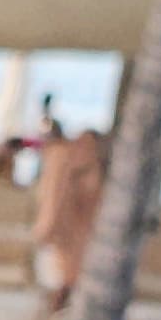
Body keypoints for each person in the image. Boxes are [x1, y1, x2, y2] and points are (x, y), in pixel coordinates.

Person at [33, 122, 108, 308]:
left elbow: (53, 201)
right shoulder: (87, 163)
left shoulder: (61, 157)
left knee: (64, 288)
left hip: (73, 239)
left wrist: (45, 230)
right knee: (68, 289)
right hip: (82, 239)